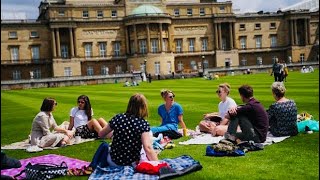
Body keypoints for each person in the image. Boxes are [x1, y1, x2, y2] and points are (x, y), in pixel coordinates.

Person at [98, 93, 158, 166]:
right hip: (131, 163)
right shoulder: (143, 123)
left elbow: (101, 134)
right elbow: (147, 147)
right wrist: (158, 164)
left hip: (113, 161)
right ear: (143, 107)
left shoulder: (118, 118)